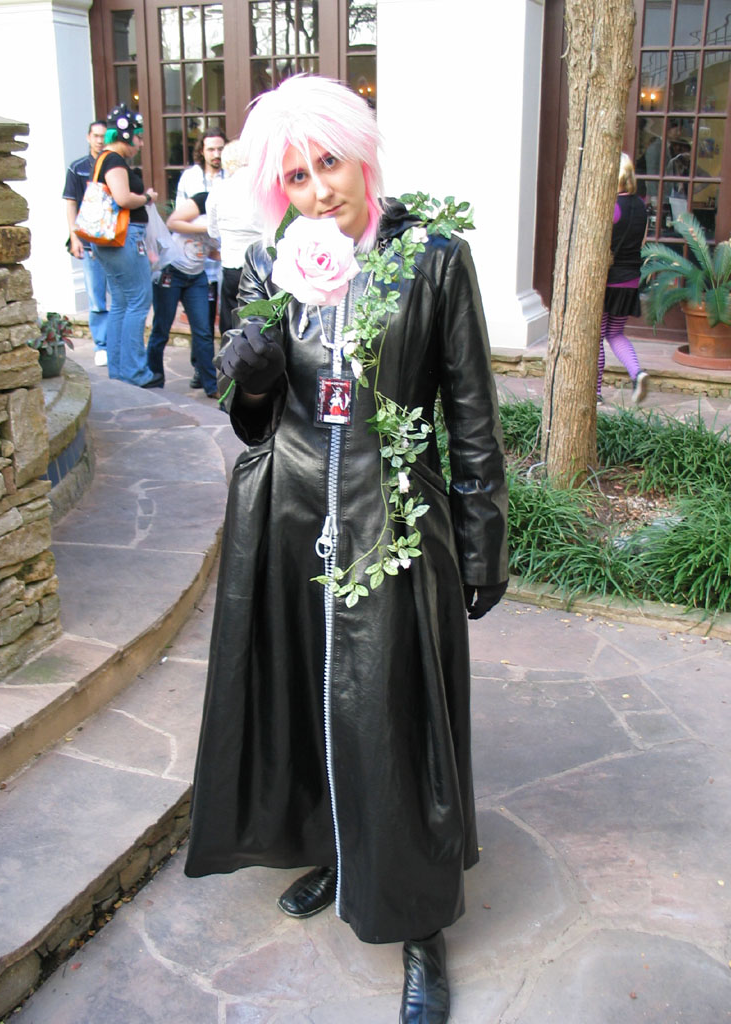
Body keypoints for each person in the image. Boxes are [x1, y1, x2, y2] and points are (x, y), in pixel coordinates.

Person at [184, 75, 509, 1024]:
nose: (319, 188)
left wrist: (483, 539)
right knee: (310, 702)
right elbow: (255, 422)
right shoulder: (266, 266)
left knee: (393, 720)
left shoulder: (431, 261)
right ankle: (339, 851)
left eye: (328, 162)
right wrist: (247, 374)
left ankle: (418, 922)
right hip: (287, 521)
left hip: (392, 521)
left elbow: (471, 413)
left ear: (362, 155)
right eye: (296, 175)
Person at [91, 103, 161, 388]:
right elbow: (122, 198)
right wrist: (147, 198)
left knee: (121, 302)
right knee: (138, 301)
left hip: (112, 241)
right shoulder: (114, 160)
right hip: (124, 238)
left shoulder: (104, 158)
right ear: (126, 134)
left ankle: (120, 371)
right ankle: (135, 372)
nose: (141, 143)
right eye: (139, 136)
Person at [146, 192, 219, 398]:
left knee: (203, 332)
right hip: (172, 272)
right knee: (161, 329)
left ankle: (211, 386)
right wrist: (207, 228)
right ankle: (155, 380)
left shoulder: (226, 218)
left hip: (197, 277)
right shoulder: (203, 201)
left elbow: (212, 251)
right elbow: (173, 223)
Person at [597, 152, 649, 406]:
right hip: (630, 280)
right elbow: (642, 242)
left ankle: (594, 392)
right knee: (615, 333)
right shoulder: (641, 206)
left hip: (607, 282)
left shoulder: (612, 207)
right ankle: (637, 373)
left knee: (596, 337)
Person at [176, 129, 226, 381]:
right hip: (196, 259)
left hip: (223, 260)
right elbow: (180, 217)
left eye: (220, 149)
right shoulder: (190, 178)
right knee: (201, 319)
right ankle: (200, 368)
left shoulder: (231, 177)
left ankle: (224, 368)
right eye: (211, 149)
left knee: (223, 317)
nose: (216, 154)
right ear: (202, 151)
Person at [63, 120, 110, 365]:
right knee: (96, 296)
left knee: (120, 296)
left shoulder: (113, 165)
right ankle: (101, 345)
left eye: (103, 136)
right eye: (96, 136)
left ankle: (117, 343)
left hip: (113, 240)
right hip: (90, 242)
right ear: (88, 137)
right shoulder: (78, 168)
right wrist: (74, 237)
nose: (100, 140)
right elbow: (71, 203)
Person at [205, 139, 263, 335]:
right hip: (262, 262)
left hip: (232, 264)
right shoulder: (264, 188)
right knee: (262, 320)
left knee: (231, 322)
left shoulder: (219, 190)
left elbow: (213, 231)